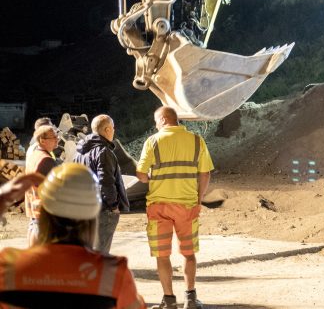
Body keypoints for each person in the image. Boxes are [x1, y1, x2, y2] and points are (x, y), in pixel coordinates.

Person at [0, 163, 145, 309]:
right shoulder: (112, 274)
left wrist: (2, 199)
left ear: (43, 213)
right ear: (93, 216)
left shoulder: (9, 267)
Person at [136, 107, 214, 309]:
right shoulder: (197, 141)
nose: (155, 125)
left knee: (162, 255)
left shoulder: (152, 141)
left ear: (163, 119)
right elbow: (205, 174)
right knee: (188, 253)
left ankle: (169, 300)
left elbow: (141, 174)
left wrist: (153, 176)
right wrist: (198, 200)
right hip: (187, 205)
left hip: (159, 206)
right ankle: (190, 298)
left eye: (156, 121)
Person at [73, 114, 130, 254]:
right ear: (107, 129)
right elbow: (106, 182)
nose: (114, 131)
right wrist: (113, 206)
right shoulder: (103, 152)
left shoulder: (79, 152)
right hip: (102, 209)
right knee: (100, 252)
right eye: (113, 128)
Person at [24, 123, 59, 246]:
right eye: (53, 137)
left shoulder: (34, 155)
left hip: (35, 210)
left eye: (57, 136)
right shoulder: (46, 160)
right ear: (42, 141)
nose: (57, 139)